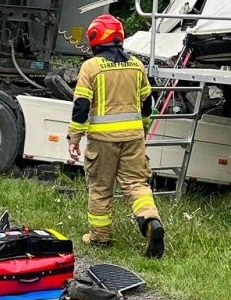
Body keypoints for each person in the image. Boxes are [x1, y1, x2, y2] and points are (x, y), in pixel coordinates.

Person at [66, 14, 165, 258]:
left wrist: (74, 138)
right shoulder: (136, 65)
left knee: (100, 188)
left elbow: (81, 106)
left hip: (102, 141)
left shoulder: (91, 67)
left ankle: (100, 237)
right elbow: (147, 102)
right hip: (133, 138)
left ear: (95, 39)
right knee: (136, 185)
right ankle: (150, 220)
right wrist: (142, 128)